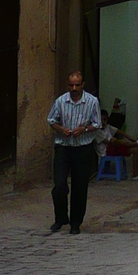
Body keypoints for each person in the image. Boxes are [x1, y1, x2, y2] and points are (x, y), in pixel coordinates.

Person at [47, 71, 101, 234]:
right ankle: (61, 217)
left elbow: (97, 124)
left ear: (83, 84)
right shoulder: (61, 101)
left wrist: (83, 129)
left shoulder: (92, 102)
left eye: (77, 85)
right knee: (60, 185)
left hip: (83, 148)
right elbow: (51, 120)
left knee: (80, 186)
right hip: (64, 146)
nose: (74, 88)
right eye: (71, 85)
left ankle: (75, 223)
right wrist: (61, 129)